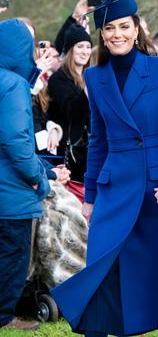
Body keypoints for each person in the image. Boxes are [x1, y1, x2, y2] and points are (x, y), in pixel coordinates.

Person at [50, 0, 158, 337]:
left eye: (123, 27)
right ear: (101, 34)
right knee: (102, 264)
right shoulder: (94, 76)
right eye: (109, 28)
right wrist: (89, 196)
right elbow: (98, 140)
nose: (117, 34)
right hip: (113, 187)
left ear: (136, 30)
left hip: (157, 185)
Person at [0, 18, 51, 332]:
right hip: (11, 189)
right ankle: (4, 316)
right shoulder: (13, 85)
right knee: (13, 254)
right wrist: (37, 175)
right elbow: (17, 140)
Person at [47, 24, 93, 202]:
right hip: (70, 155)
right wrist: (88, 89)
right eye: (79, 46)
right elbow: (72, 110)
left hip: (90, 153)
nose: (85, 51)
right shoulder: (59, 79)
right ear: (70, 50)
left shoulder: (88, 76)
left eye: (88, 47)